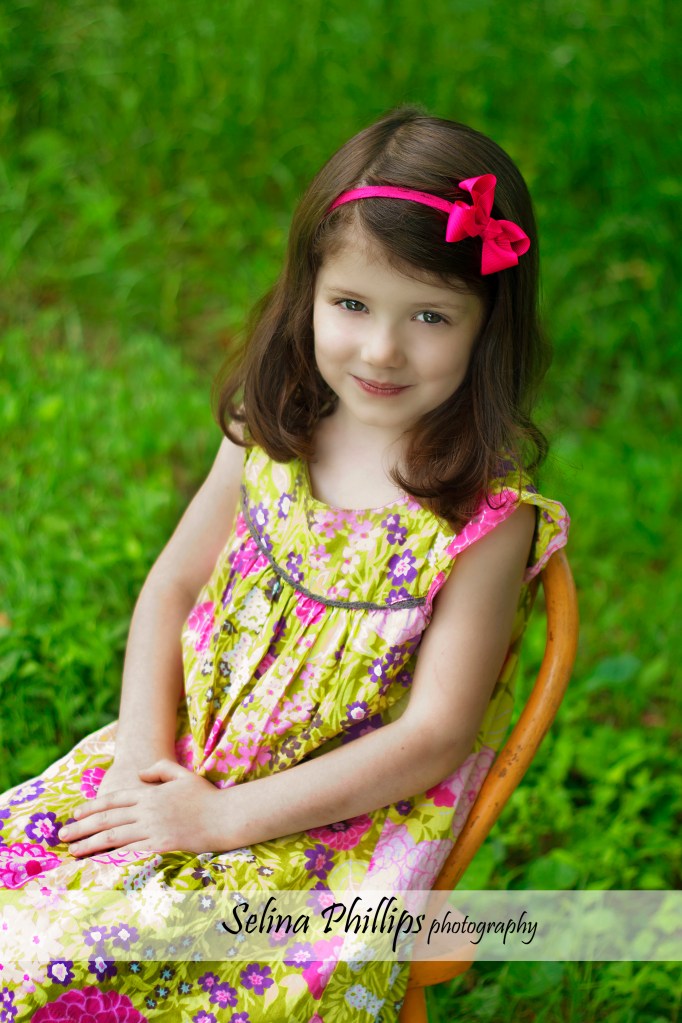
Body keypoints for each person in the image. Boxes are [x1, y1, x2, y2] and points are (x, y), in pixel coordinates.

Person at [0, 107, 569, 1022]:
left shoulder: (484, 521)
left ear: (488, 325)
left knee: (109, 967)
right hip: (187, 757)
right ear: (309, 292)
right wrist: (141, 758)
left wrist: (221, 820)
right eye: (352, 305)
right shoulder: (276, 428)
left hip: (325, 831)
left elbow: (434, 736)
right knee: (21, 915)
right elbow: (172, 586)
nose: (381, 349)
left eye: (429, 315)